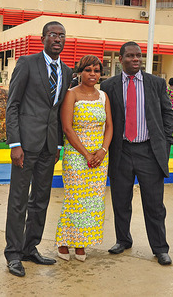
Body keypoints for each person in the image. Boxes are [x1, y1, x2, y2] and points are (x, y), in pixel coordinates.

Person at [4, 21, 72, 277]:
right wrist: (15, 143)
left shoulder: (66, 71)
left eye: (62, 35)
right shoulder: (27, 63)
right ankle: (13, 254)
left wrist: (57, 145)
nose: (58, 38)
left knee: (41, 199)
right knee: (18, 200)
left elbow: (57, 112)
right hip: (25, 145)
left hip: (48, 147)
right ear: (43, 38)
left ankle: (29, 247)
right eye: (53, 34)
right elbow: (13, 105)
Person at [100, 41, 173, 265]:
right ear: (121, 58)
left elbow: (167, 115)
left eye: (138, 56)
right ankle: (123, 240)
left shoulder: (156, 83)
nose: (136, 59)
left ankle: (160, 248)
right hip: (121, 151)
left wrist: (164, 145)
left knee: (154, 204)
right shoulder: (109, 86)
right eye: (131, 56)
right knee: (120, 201)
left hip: (148, 152)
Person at [55, 55, 113, 262]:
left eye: (96, 71)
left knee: (93, 202)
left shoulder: (103, 96)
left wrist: (102, 151)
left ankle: (80, 243)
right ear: (80, 72)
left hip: (100, 156)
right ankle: (63, 241)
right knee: (75, 199)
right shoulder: (71, 94)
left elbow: (110, 127)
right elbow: (67, 128)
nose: (93, 74)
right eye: (88, 70)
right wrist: (87, 154)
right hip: (77, 155)